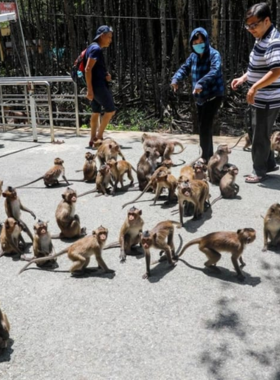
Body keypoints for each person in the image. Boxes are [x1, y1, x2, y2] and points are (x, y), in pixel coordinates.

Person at [231, 3, 280, 183]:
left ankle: (259, 170)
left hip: (267, 98)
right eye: (248, 25)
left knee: (259, 134)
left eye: (254, 25)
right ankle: (269, 163)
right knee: (257, 130)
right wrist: (245, 78)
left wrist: (254, 87)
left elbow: (276, 71)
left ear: (266, 20)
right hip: (260, 96)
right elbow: (260, 66)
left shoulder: (274, 41)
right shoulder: (262, 37)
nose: (250, 29)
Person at [171, 27, 224, 163]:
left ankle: (205, 157)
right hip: (200, 98)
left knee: (205, 125)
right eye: (194, 44)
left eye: (200, 43)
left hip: (213, 95)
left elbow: (215, 70)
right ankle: (207, 154)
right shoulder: (193, 56)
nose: (197, 46)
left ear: (205, 41)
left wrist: (201, 83)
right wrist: (176, 79)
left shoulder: (214, 54)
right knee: (202, 125)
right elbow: (184, 68)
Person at [85, 25, 116, 147]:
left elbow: (94, 69)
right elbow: (88, 69)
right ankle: (98, 137)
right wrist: (90, 89)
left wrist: (105, 75)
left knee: (96, 111)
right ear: (102, 36)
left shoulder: (91, 47)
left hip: (96, 84)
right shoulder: (96, 49)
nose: (110, 40)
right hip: (97, 86)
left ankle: (92, 139)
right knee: (110, 110)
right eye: (109, 37)